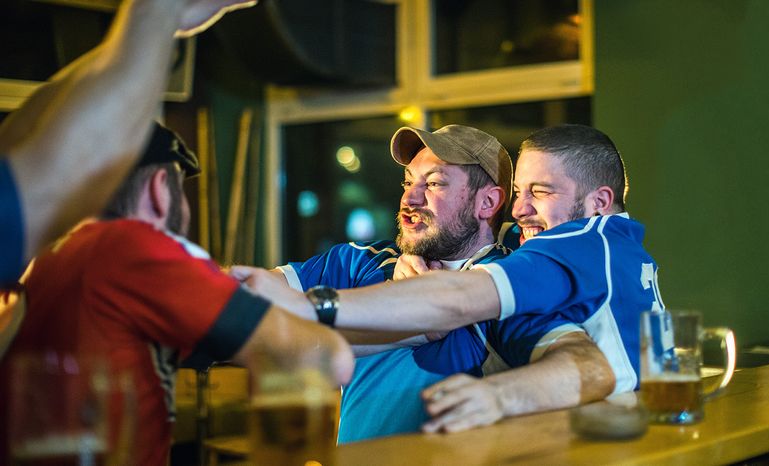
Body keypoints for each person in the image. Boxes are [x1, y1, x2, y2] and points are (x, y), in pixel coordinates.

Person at [238, 124, 665, 433]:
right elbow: (243, 301)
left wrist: (315, 309)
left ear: (486, 202)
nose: (410, 197)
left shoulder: (545, 263)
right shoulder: (362, 261)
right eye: (408, 182)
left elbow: (460, 299)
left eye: (435, 183)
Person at [0, 123, 354, 466]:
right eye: (181, 192)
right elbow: (331, 360)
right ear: (158, 188)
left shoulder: (49, 258)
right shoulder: (135, 250)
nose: (184, 210)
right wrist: (296, 310)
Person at [0, 0, 255, 289]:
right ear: (159, 188)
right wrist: (158, 12)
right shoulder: (137, 271)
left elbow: (14, 148)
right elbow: (63, 169)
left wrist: (163, 21)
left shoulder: (53, 271)